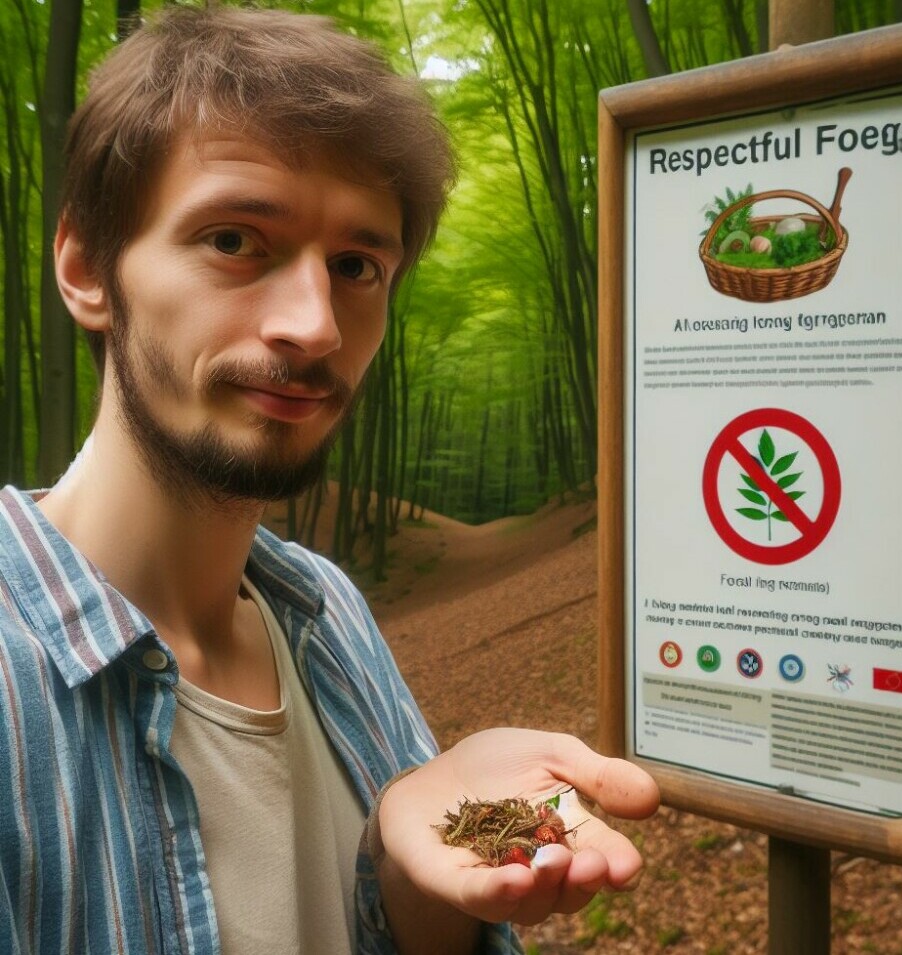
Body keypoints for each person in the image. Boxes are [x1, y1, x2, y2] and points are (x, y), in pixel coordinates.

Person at [0, 7, 660, 955]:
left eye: (357, 265)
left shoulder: (329, 613)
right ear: (85, 269)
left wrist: (412, 871)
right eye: (234, 241)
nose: (314, 326)